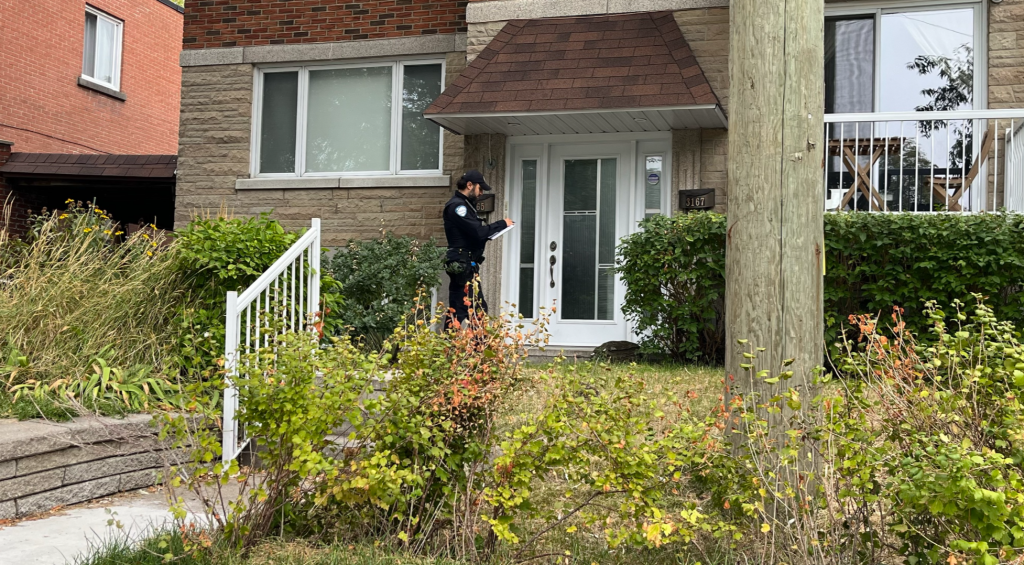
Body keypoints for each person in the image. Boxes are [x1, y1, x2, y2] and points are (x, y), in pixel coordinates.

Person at [442, 169, 513, 329]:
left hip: (466, 262)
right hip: (462, 263)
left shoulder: (465, 205)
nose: (481, 193)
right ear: (469, 185)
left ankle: (453, 349)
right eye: (480, 189)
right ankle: (473, 350)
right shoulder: (458, 207)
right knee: (472, 310)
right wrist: (502, 224)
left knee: (461, 309)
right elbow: (478, 232)